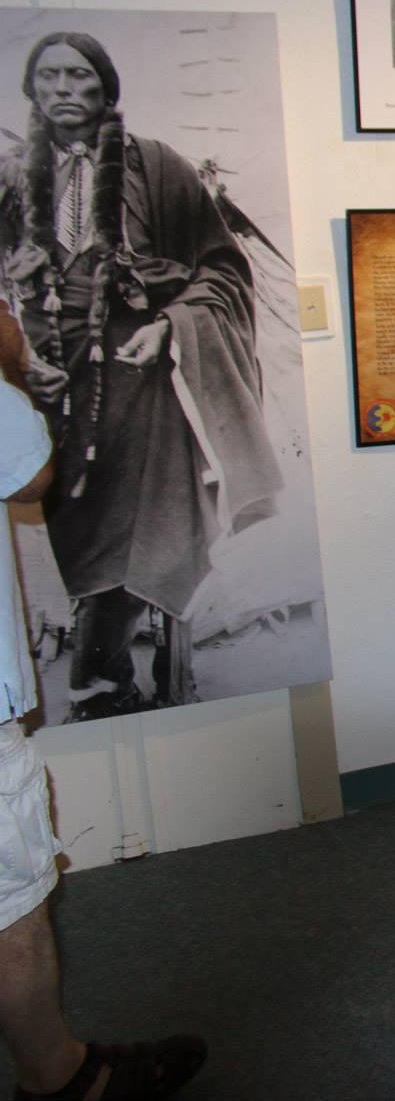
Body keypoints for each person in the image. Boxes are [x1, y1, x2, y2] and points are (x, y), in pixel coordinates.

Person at [0, 32, 280, 722]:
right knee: (68, 509)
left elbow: (221, 270)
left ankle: (100, 666)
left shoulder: (158, 166)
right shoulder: (7, 180)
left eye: (77, 75)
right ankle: (106, 670)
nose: (62, 88)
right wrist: (13, 357)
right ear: (31, 92)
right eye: (47, 77)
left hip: (140, 374)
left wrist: (170, 327)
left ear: (107, 87)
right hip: (46, 380)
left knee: (139, 518)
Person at [0, 300, 208, 1101]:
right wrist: (11, 360)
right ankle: (61, 1080)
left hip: (124, 404)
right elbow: (31, 473)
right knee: (11, 904)